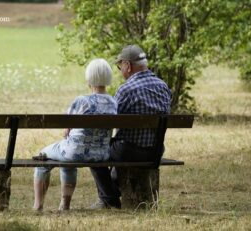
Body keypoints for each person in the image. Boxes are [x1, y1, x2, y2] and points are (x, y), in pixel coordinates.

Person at [89, 45, 172, 209]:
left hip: (129, 151)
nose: (120, 70)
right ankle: (112, 194)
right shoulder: (163, 86)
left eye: (120, 66)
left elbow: (110, 120)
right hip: (155, 151)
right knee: (115, 148)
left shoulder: (126, 90)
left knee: (93, 151)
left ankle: (109, 199)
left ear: (127, 65)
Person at [33, 58, 117, 211]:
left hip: (74, 153)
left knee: (43, 156)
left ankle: (38, 206)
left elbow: (66, 131)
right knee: (67, 158)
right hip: (101, 155)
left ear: (89, 78)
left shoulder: (81, 101)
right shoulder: (114, 102)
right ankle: (64, 205)